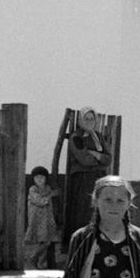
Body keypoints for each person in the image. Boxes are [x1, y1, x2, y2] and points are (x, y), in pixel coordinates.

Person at [61, 106, 110, 247]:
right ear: (81, 120)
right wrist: (100, 159)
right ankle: (81, 243)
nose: (89, 121)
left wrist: (95, 154)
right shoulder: (76, 137)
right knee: (83, 209)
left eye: (92, 118)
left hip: (99, 178)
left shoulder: (99, 137)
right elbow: (84, 159)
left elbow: (109, 159)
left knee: (98, 208)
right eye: (86, 118)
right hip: (83, 179)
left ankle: (97, 241)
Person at [22, 165, 59, 269]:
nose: (39, 179)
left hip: (47, 220)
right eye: (37, 177)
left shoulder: (47, 188)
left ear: (46, 179)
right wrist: (51, 195)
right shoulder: (33, 189)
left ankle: (39, 262)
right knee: (41, 241)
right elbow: (41, 201)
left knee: (47, 241)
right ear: (33, 179)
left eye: (42, 177)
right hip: (37, 220)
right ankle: (33, 258)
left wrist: (53, 193)